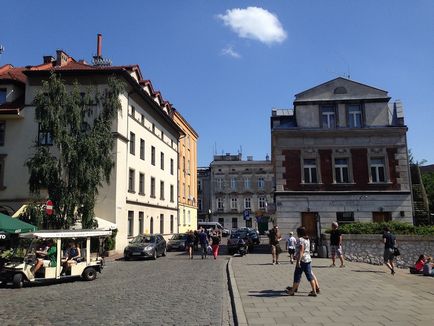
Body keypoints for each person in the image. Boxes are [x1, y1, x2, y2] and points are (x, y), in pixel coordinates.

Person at [285, 226, 318, 297]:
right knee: (310, 276)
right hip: (308, 259)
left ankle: (292, 291)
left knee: (297, 275)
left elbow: (301, 251)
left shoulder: (300, 240)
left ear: (299, 233)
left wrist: (298, 261)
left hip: (302, 260)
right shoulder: (307, 239)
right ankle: (314, 291)